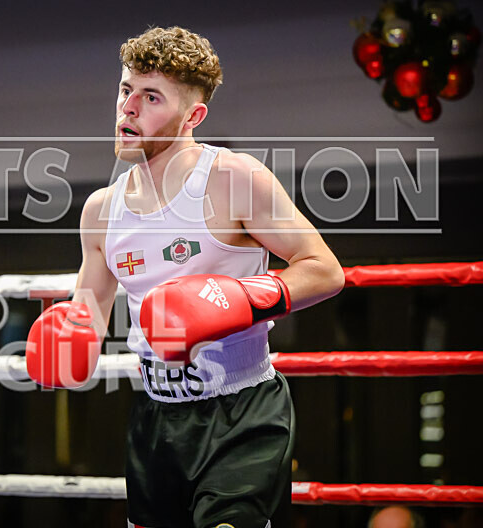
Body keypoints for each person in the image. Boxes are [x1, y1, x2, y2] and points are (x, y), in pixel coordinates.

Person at [25, 26, 344, 527]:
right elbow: (89, 309)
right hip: (156, 419)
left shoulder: (236, 180)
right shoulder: (101, 210)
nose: (128, 108)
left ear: (193, 116)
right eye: (126, 90)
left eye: (151, 97)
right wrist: (69, 334)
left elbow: (324, 271)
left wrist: (236, 298)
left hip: (243, 412)